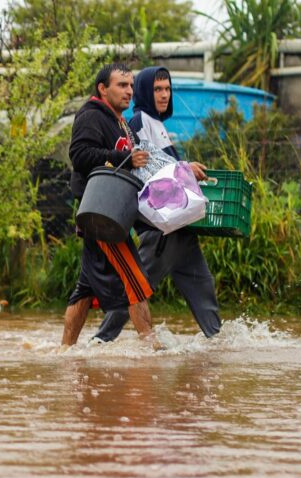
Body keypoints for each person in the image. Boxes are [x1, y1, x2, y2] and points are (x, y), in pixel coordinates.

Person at [91, 66, 221, 341]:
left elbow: (166, 169)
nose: (164, 95)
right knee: (137, 288)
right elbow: (146, 168)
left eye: (167, 89)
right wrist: (184, 167)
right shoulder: (139, 121)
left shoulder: (159, 125)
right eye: (157, 89)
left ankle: (217, 344)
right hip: (161, 231)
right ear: (144, 93)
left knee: (203, 288)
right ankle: (99, 344)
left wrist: (184, 169)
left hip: (181, 228)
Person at [62, 63, 162, 350]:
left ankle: (65, 352)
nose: (129, 91)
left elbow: (134, 161)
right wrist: (124, 157)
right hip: (103, 213)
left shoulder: (120, 122)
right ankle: (153, 349)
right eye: (121, 85)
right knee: (136, 280)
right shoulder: (91, 115)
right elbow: (79, 155)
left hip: (110, 213)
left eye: (130, 85)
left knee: (84, 289)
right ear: (102, 89)